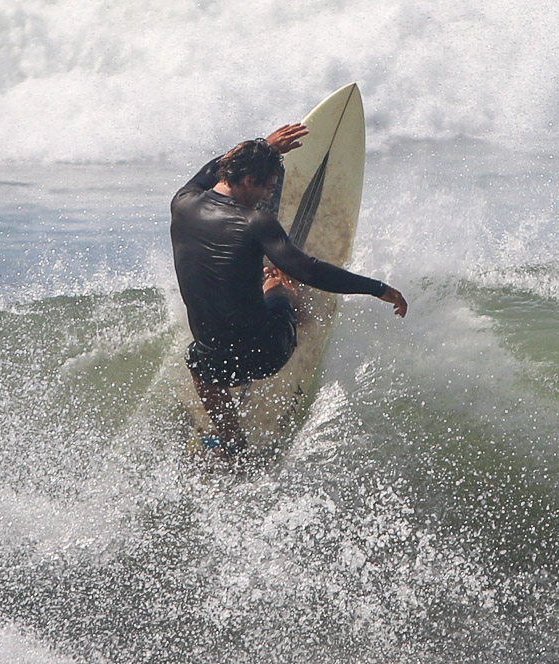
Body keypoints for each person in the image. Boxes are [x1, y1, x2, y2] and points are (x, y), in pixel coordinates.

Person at [171, 123, 407, 454]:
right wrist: (376, 287)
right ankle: (297, 311)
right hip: (267, 354)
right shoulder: (255, 222)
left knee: (198, 363)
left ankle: (232, 439)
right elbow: (309, 268)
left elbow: (209, 171)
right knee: (279, 276)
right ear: (249, 181)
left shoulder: (182, 202)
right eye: (267, 188)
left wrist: (265, 147)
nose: (268, 196)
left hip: (216, 362)